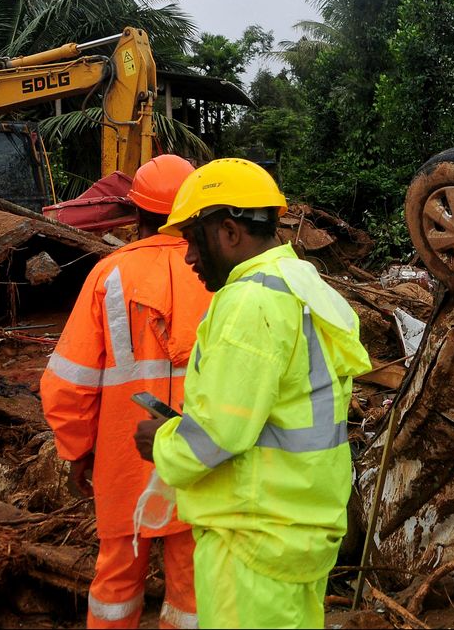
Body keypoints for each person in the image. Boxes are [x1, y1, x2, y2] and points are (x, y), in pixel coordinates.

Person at [132, 158, 371, 629]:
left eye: (192, 241)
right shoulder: (303, 285)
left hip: (252, 536)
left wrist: (162, 440)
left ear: (228, 231)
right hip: (303, 529)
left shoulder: (247, 302)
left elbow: (217, 437)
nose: (189, 258)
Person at [40, 154, 206, 629]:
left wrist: (77, 450)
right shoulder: (217, 274)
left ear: (136, 214)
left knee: (116, 577)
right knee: (192, 581)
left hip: (122, 456)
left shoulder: (108, 275)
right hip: (198, 453)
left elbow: (68, 381)